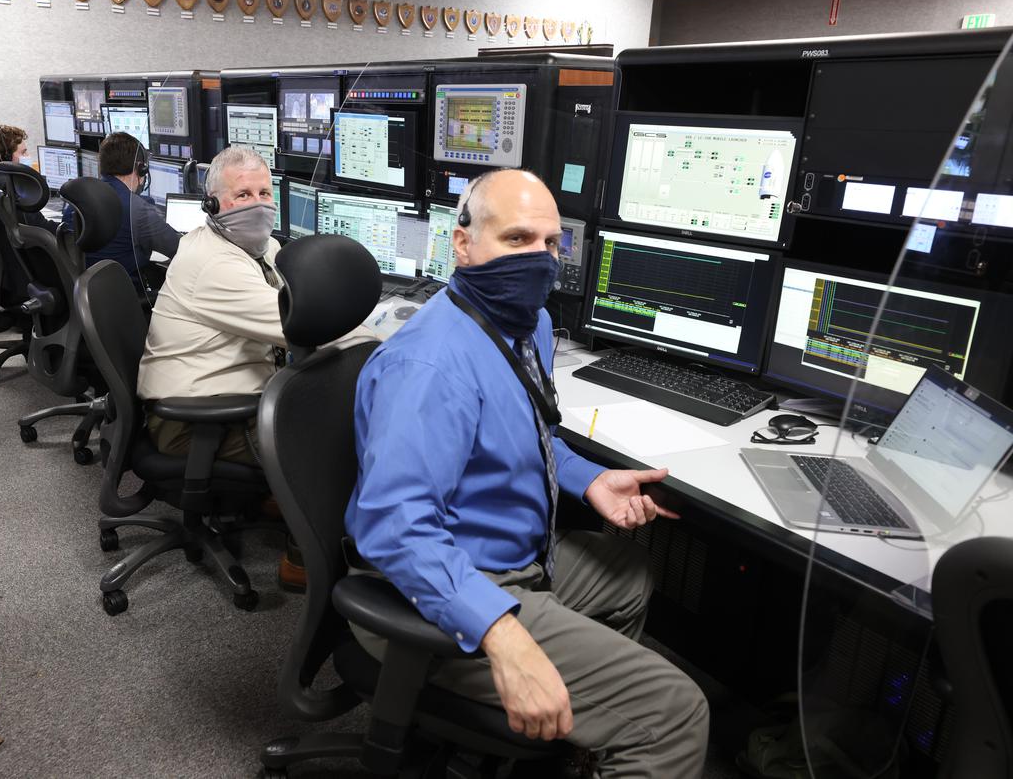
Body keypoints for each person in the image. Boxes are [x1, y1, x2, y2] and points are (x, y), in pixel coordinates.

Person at [345, 169, 710, 777]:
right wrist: (503, 635)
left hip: (515, 555)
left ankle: (576, 737)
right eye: (517, 240)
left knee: (628, 573)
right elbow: (395, 530)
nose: (539, 259)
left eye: (551, 244)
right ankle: (634, 737)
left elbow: (528, 432)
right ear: (463, 246)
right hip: (440, 582)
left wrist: (590, 479)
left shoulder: (526, 324)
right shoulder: (429, 365)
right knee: (675, 712)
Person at [137, 145, 369, 588]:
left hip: (224, 396)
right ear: (213, 205)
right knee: (334, 438)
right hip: (192, 420)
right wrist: (389, 334)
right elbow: (303, 327)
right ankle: (303, 561)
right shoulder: (216, 265)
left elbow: (299, 302)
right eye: (243, 195)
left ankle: (277, 497)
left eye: (265, 192)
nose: (259, 203)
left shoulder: (256, 249)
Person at [62, 131, 180, 295]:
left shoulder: (77, 201)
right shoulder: (137, 208)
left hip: (83, 299)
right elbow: (179, 249)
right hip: (126, 301)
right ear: (141, 168)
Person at [0, 124, 56, 299]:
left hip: (3, 268)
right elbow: (38, 227)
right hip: (22, 271)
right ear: (5, 156)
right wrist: (70, 226)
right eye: (23, 152)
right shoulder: (7, 185)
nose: (28, 157)